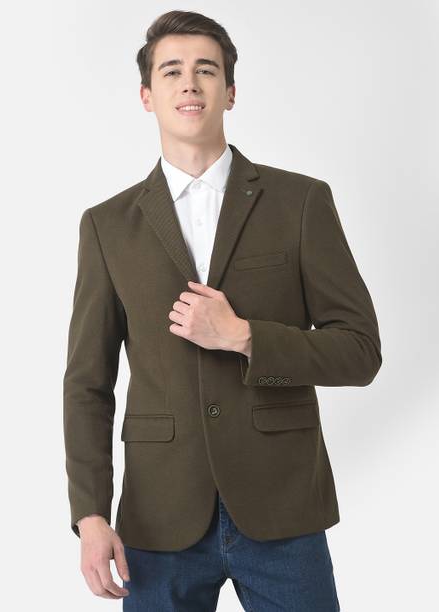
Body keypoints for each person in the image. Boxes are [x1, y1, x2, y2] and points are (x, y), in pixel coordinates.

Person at [63, 9, 382, 611]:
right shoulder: (107, 227)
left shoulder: (300, 202)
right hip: (159, 518)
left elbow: (361, 351)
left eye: (206, 70)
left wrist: (245, 337)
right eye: (171, 71)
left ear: (230, 92)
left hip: (282, 507)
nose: (189, 83)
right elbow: (88, 384)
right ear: (146, 96)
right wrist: (90, 514)